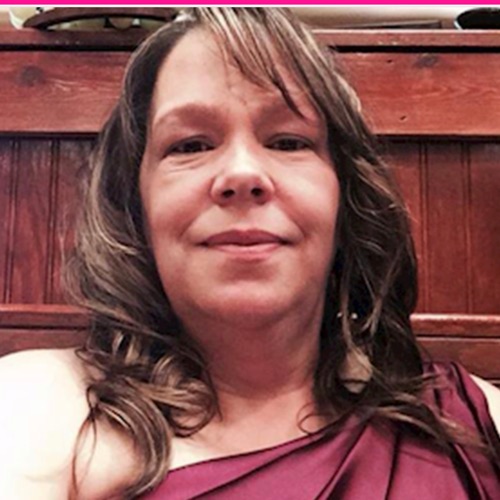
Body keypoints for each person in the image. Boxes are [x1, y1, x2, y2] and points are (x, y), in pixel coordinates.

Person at [0, 7, 498, 500]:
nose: (241, 173)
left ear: (346, 199)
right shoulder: (38, 404)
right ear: (135, 205)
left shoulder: (477, 421)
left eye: (288, 141)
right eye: (190, 145)